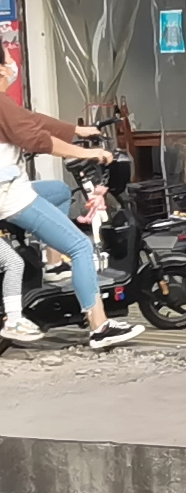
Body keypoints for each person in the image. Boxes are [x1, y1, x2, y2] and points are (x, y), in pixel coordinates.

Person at [0, 56, 143, 349]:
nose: (14, 67)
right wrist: (88, 154)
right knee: (80, 247)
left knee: (59, 192)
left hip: (11, 189)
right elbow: (35, 139)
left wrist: (77, 131)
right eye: (9, 61)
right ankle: (99, 327)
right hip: (8, 194)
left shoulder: (6, 106)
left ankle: (52, 265)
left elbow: (32, 121)